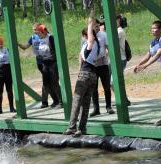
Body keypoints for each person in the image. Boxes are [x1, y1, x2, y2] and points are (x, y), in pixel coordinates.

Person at [64, 6, 99, 137]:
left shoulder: (91, 43)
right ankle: (82, 128)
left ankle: (72, 127)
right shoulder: (96, 44)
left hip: (85, 74)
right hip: (93, 75)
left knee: (77, 101)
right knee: (86, 103)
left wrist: (91, 14)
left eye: (84, 36)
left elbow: (90, 28)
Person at [134, 20, 161, 126]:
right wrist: (139, 64)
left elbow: (158, 54)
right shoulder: (153, 41)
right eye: (151, 28)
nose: (152, 30)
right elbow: (149, 55)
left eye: (155, 28)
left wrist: (145, 66)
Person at [90, 19, 115, 117]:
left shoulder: (103, 35)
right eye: (94, 26)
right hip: (92, 65)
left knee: (106, 86)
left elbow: (108, 47)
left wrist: (110, 58)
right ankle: (96, 109)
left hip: (103, 63)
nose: (96, 27)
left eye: (97, 25)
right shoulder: (87, 35)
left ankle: (108, 107)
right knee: (93, 88)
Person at [36, 24, 62, 109]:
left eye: (40, 33)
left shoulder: (50, 38)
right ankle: (55, 101)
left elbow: (56, 50)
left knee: (54, 82)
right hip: (44, 63)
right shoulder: (40, 39)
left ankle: (61, 102)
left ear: (44, 32)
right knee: (46, 83)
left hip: (52, 63)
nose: (39, 35)